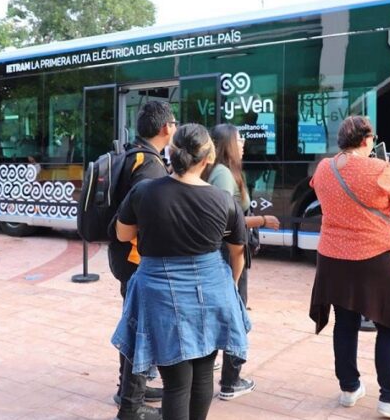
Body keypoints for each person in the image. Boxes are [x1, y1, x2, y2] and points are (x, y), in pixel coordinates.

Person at [112, 123, 250, 420]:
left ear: (170, 154)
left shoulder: (145, 192)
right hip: (212, 289)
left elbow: (123, 235)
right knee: (203, 374)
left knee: (175, 383)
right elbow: (238, 252)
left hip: (160, 292)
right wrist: (230, 286)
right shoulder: (224, 200)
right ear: (207, 159)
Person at [308, 116, 390, 420]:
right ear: (366, 140)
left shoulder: (324, 168)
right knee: (389, 323)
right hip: (372, 256)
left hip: (332, 257)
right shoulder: (380, 169)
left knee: (344, 321)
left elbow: (325, 196)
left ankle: (349, 388)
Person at [109, 101, 178, 420]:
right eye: (174, 123)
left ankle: (128, 388)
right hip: (138, 259)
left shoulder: (133, 154)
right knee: (140, 329)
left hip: (124, 256)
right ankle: (132, 406)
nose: (175, 128)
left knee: (134, 324)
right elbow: (141, 214)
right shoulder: (150, 166)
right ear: (165, 128)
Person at [203, 123, 280, 401]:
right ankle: (230, 381)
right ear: (227, 144)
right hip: (229, 252)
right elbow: (224, 220)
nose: (244, 141)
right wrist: (262, 220)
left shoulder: (225, 171)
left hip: (228, 250)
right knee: (235, 313)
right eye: (239, 138)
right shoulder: (223, 175)